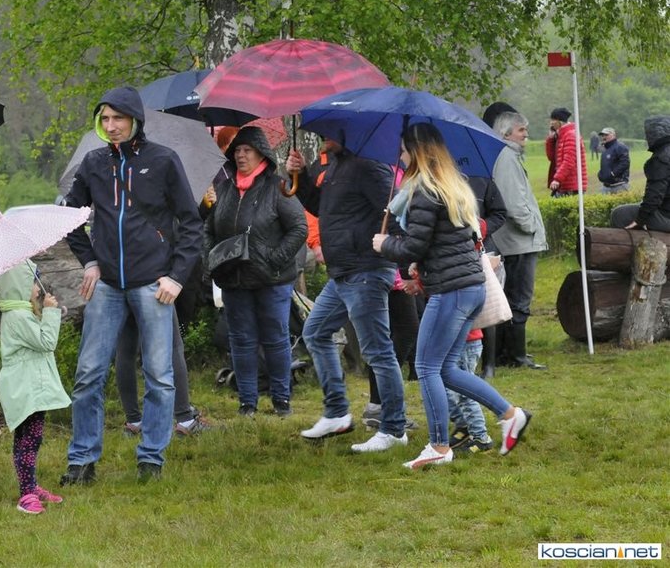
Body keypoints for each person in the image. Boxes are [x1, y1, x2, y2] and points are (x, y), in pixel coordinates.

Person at [60, 86, 202, 484]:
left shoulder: (163, 160)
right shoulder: (93, 163)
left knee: (159, 376)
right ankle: (82, 460)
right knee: (88, 374)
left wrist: (176, 276)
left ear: (135, 120)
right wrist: (89, 260)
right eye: (104, 119)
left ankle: (151, 458)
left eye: (118, 118)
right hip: (106, 286)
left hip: (153, 284)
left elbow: (191, 224)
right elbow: (69, 218)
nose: (111, 126)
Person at [373, 122, 531, 470]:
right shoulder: (452, 186)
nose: (401, 156)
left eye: (404, 150)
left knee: (426, 367)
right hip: (470, 286)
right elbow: (445, 244)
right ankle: (511, 415)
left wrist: (385, 244)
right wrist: (422, 270)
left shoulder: (423, 191)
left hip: (453, 292)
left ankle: (439, 445)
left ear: (417, 152)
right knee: (445, 368)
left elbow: (414, 245)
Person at [285, 133, 408, 452]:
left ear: (347, 132)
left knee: (378, 351)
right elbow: (321, 207)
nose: (323, 137)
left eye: (329, 132)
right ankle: (337, 413)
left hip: (366, 269)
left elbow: (396, 214)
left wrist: (407, 261)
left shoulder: (370, 167)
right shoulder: (338, 165)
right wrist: (300, 177)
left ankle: (394, 428)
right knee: (316, 333)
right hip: (343, 271)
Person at [204, 126, 307, 418]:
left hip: (272, 279)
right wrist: (211, 259)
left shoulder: (277, 187)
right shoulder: (224, 190)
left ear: (261, 154)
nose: (241, 155)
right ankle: (247, 402)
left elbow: (299, 228)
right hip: (233, 278)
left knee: (275, 339)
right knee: (241, 340)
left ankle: (281, 400)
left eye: (247, 150)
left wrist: (275, 259)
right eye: (237, 150)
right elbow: (208, 229)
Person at [0, 262, 71, 514]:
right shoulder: (18, 316)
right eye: (34, 282)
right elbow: (47, 342)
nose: (38, 288)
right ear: (19, 286)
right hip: (26, 389)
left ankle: (31, 486)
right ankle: (26, 493)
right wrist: (50, 313)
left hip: (28, 387)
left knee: (27, 438)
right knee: (29, 440)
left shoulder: (19, 313)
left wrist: (48, 312)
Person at [491, 112, 548, 370]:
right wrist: (532, 227)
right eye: (521, 130)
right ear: (506, 133)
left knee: (511, 296)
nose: (526, 134)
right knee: (519, 298)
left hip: (515, 240)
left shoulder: (508, 155)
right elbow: (513, 203)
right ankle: (515, 355)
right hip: (518, 241)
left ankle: (507, 353)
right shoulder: (507, 157)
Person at [114, 309, 209, 437]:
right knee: (173, 345)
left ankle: (133, 421)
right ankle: (185, 419)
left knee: (125, 348)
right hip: (153, 295)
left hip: (118, 295)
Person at [610, 115, 670, 232]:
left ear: (655, 133)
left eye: (647, 133)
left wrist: (640, 220)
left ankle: (629, 244)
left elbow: (654, 196)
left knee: (619, 214)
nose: (646, 137)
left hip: (667, 216)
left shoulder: (661, 158)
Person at [546, 107, 588, 197]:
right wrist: (550, 139)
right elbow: (552, 158)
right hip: (564, 185)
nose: (551, 123)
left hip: (572, 187)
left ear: (559, 121)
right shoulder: (561, 135)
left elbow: (569, 161)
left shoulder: (571, 135)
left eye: (553, 120)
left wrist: (557, 179)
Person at [597, 127, 630, 194]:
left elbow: (625, 163)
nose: (604, 137)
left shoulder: (620, 147)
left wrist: (613, 173)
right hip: (606, 186)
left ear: (613, 135)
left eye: (606, 135)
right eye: (602, 135)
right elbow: (605, 165)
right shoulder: (605, 149)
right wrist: (601, 174)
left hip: (619, 185)